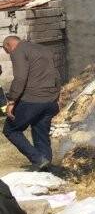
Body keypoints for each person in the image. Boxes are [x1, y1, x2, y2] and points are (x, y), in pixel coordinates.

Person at [3, 36, 62, 170]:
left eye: (7, 51)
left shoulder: (18, 51)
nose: (8, 54)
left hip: (32, 99)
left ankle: (38, 159)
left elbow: (20, 78)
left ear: (9, 45)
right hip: (50, 100)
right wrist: (57, 95)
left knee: (10, 130)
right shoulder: (43, 49)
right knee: (40, 130)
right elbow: (56, 74)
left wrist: (12, 100)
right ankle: (46, 168)